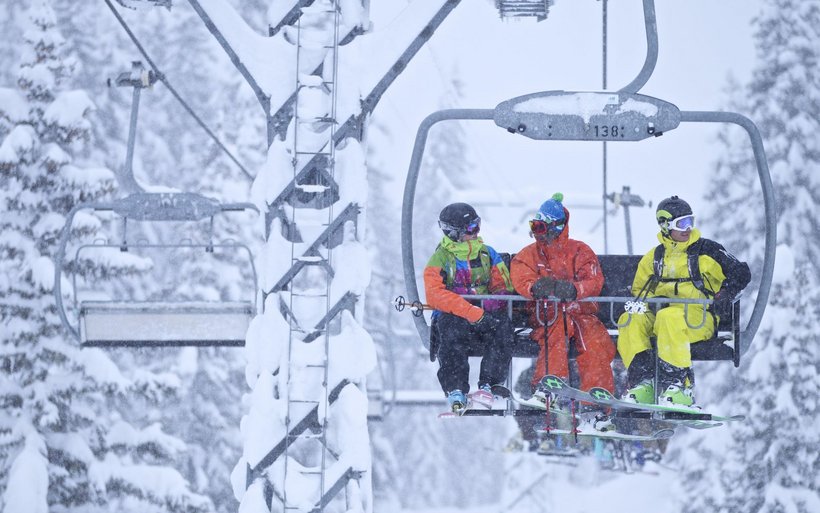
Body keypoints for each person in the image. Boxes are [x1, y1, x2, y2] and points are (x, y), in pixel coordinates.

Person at [617, 195, 751, 407]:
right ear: (665, 226)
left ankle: (680, 385)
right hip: (662, 319)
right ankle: (644, 382)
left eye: (690, 221)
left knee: (669, 317)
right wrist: (652, 301)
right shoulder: (655, 258)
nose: (688, 228)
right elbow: (639, 292)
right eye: (682, 223)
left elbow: (741, 272)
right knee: (631, 318)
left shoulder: (707, 251)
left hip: (698, 319)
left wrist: (726, 292)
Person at [511, 193, 616, 401]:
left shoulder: (580, 251)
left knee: (594, 342)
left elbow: (594, 281)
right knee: (555, 329)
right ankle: (549, 385)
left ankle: (595, 403)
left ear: (557, 226)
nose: (537, 234)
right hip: (545, 315)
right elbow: (521, 277)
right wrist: (535, 288)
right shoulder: (528, 255)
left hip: (581, 314)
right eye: (534, 227)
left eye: (541, 228)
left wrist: (574, 290)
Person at [424, 202, 515, 412]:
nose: (476, 233)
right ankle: (456, 388)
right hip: (456, 317)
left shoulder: (487, 255)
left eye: (477, 226)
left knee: (502, 327)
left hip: (484, 317)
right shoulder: (441, 259)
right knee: (451, 329)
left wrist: (488, 304)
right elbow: (435, 294)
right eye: (471, 229)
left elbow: (503, 286)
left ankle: (489, 384)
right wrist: (472, 311)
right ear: (455, 233)